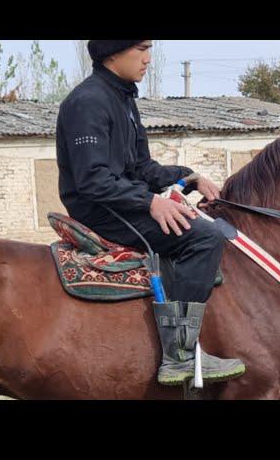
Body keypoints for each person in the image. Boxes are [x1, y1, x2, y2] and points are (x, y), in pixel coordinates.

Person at [55, 40, 245, 385]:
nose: (148, 59)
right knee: (204, 238)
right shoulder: (87, 103)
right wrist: (150, 203)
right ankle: (181, 354)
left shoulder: (123, 98)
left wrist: (188, 177)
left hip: (123, 203)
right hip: (101, 211)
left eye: (149, 49)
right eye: (141, 49)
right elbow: (92, 180)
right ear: (113, 51)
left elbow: (142, 167)